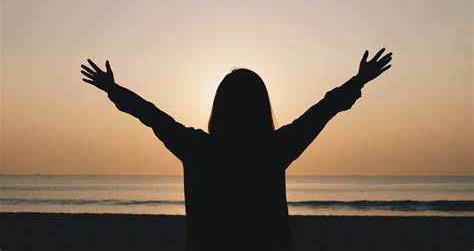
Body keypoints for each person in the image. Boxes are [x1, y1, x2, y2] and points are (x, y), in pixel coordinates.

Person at [81, 48, 392, 251]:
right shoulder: (274, 149)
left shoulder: (196, 148)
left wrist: (113, 89)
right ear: (261, 108)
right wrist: (359, 80)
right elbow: (323, 111)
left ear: (220, 106)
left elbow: (151, 115)